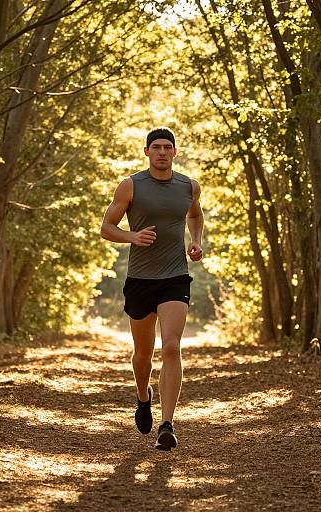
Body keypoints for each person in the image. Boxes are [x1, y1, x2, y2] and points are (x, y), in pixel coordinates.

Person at [100, 127, 204, 451]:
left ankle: (167, 424)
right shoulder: (132, 185)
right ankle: (143, 396)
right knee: (143, 355)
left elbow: (195, 215)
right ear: (147, 152)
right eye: (156, 147)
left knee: (172, 347)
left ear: (174, 152)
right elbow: (106, 227)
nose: (161, 152)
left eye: (167, 147)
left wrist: (196, 242)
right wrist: (132, 236)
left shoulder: (189, 186)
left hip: (175, 277)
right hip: (141, 279)